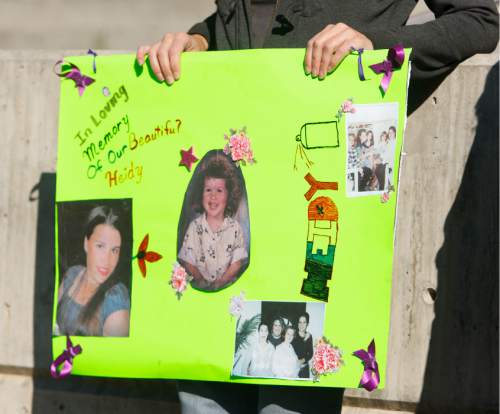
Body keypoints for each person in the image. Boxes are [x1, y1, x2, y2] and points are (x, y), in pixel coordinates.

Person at [137, 1, 498, 412]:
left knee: (287, 403)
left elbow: (480, 21)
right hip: (238, 197)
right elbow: (251, 20)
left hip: (315, 212)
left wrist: (377, 45)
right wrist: (200, 39)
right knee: (204, 405)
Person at [56, 206, 130, 337]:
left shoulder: (115, 299)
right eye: (100, 246)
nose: (107, 260)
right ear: (86, 243)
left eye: (114, 250)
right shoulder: (72, 274)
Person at [178, 151, 248, 291]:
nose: (213, 196)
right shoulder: (194, 227)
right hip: (199, 288)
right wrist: (199, 279)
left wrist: (222, 281)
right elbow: (187, 259)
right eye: (208, 190)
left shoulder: (235, 229)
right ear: (201, 193)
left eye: (219, 191)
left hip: (227, 286)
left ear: (229, 195)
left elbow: (237, 261)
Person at [291, 313, 313, 379]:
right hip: (293, 368)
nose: (301, 325)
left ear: (307, 324)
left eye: (304, 322)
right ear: (297, 323)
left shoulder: (309, 336)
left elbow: (311, 353)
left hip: (304, 370)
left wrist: (302, 360)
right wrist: (304, 341)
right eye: (300, 322)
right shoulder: (293, 335)